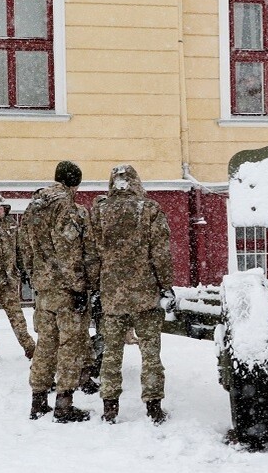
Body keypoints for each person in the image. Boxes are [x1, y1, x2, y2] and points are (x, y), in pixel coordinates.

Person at [91, 164, 174, 424]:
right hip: (145, 294)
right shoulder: (149, 209)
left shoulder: (100, 210)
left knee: (112, 353)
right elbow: (160, 252)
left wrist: (97, 286)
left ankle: (110, 406)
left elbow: (93, 253)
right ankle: (153, 406)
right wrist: (165, 285)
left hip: (112, 294)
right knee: (150, 353)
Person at [20, 161, 97, 423]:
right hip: (65, 287)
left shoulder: (34, 205)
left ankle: (38, 400)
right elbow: (69, 251)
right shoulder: (68, 208)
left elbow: (25, 247)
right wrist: (79, 287)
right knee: (70, 345)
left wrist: (33, 275)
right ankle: (64, 403)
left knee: (46, 344)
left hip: (43, 288)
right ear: (75, 183)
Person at [0, 192, 36, 362]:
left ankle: (29, 347)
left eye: (1, 207)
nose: (0, 211)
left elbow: (18, 250)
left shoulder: (11, 225)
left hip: (9, 280)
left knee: (17, 317)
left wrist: (23, 270)